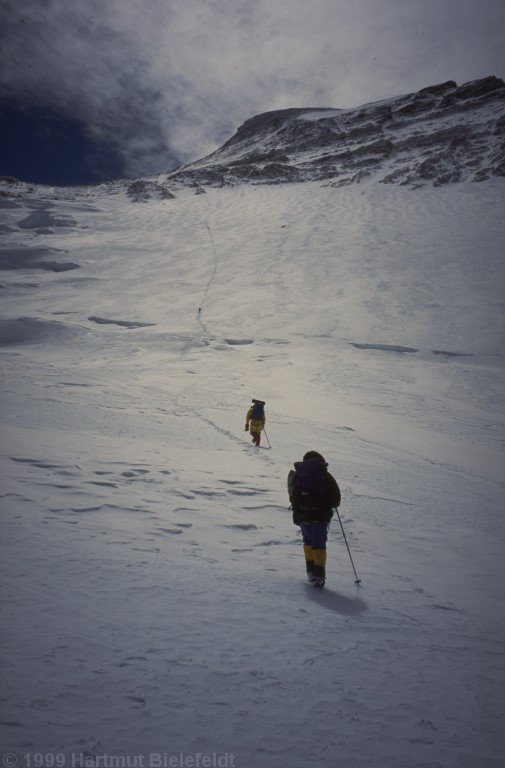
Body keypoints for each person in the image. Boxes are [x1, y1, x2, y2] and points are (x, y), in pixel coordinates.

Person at [287, 451, 341, 588]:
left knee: (308, 542)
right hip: (320, 516)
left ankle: (310, 572)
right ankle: (319, 575)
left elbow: (293, 495)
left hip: (303, 516)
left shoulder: (299, 474)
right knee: (319, 544)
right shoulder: (324, 475)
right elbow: (335, 499)